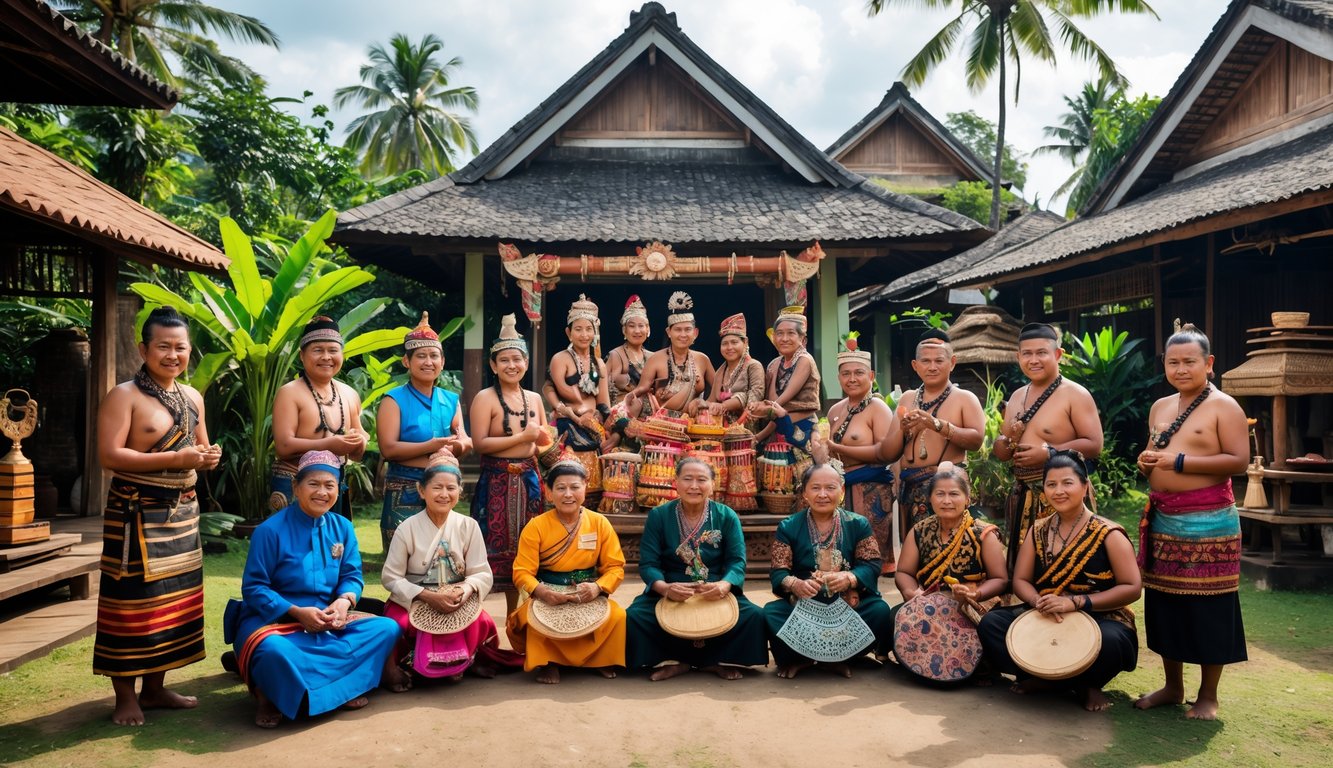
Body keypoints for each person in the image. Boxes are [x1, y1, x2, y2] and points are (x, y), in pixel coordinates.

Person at [93, 306, 220, 726]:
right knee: (131, 604)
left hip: (182, 513)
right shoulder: (124, 395)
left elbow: (199, 450)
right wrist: (177, 456)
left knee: (175, 601)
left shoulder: (193, 397)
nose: (172, 355)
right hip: (134, 513)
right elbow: (109, 456)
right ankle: (125, 696)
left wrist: (206, 457)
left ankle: (155, 688)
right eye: (162, 346)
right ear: (143, 348)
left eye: (179, 347)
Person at [229, 451, 406, 728]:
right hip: (277, 622)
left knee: (387, 629)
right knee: (272, 651)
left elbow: (351, 575)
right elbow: (254, 588)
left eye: (329, 485)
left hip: (327, 621)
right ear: (296, 487)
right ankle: (267, 696)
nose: (322, 492)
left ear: (338, 490)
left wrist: (344, 603)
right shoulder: (269, 531)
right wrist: (297, 612)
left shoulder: (343, 527)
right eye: (313, 484)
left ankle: (335, 689)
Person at [1134, 324, 1248, 720]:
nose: (1181, 369)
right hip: (1165, 519)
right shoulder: (1160, 406)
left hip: (1210, 522)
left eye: (1189, 361)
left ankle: (1208, 695)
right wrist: (1148, 461)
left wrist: (1176, 462)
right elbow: (1155, 450)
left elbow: (1237, 461)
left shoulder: (1224, 406)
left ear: (1209, 363)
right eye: (1173, 362)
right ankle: (1172, 685)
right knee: (1166, 603)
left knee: (1208, 607)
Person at [977, 451, 1141, 712]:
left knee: (1112, 642)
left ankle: (1089, 684)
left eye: (1067, 483)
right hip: (1046, 609)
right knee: (992, 624)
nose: (1059, 491)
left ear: (1085, 487)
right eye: (1051, 485)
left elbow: (1132, 588)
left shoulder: (1109, 533)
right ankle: (1045, 679)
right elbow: (1020, 580)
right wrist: (1036, 601)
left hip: (1099, 614)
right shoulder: (1038, 529)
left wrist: (1077, 602)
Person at [382, 449, 521, 683]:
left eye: (451, 488)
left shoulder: (469, 525)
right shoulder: (407, 528)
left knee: (482, 621)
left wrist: (463, 591)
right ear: (421, 490)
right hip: (416, 598)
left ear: (460, 491)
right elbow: (391, 577)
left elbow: (480, 572)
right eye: (437, 488)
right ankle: (411, 666)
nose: (444, 494)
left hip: (456, 597)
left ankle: (468, 660)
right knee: (399, 625)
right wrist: (425, 595)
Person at [625, 457, 768, 680]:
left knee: (755, 617)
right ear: (676, 483)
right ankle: (677, 662)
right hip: (672, 588)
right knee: (634, 617)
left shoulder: (726, 516)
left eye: (702, 480)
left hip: (714, 589)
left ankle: (712, 662)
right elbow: (649, 564)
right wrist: (664, 589)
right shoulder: (659, 516)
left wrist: (724, 585)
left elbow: (737, 562)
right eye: (687, 479)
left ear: (713, 484)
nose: (694, 486)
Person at [989, 323, 1104, 571]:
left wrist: (1050, 453)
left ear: (1058, 354)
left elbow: (1094, 445)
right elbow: (1002, 451)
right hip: (1023, 495)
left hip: (1061, 491)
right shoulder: (1018, 396)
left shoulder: (1075, 394)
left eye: (1041, 352)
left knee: (1064, 562)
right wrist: (1007, 441)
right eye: (1027, 354)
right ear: (1018, 357)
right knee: (1025, 568)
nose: (1034, 360)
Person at [505, 459, 628, 684]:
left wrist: (597, 587)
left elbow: (615, 567)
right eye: (560, 488)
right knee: (534, 619)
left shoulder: (600, 522)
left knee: (618, 616)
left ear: (585, 488)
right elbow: (521, 572)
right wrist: (541, 592)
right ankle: (549, 663)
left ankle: (598, 660)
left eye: (575, 487)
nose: (568, 494)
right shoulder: (536, 526)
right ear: (549, 493)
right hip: (548, 592)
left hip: (586, 592)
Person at [766, 463, 893, 679]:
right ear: (804, 493)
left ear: (842, 491)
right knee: (770, 613)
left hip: (845, 603)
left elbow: (871, 565)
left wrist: (850, 577)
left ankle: (841, 659)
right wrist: (795, 584)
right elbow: (779, 572)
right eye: (815, 488)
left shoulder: (857, 524)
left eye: (830, 488)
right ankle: (802, 659)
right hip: (804, 605)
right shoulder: (789, 526)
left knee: (879, 611)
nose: (823, 494)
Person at [469, 314, 547, 613]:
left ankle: (526, 611)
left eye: (517, 359)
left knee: (530, 544)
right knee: (494, 545)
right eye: (504, 360)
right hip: (497, 481)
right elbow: (480, 444)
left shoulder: (535, 399)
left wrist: (543, 442)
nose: (511, 365)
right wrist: (524, 437)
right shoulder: (484, 398)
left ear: (526, 363)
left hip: (530, 480)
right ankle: (493, 614)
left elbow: (541, 442)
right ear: (493, 365)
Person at [376, 312, 472, 551]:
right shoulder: (393, 399)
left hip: (441, 488)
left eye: (433, 356)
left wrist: (457, 446)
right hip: (405, 488)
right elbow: (388, 449)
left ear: (442, 361)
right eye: (420, 356)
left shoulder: (450, 399)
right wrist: (431, 447)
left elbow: (464, 440)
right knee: (404, 559)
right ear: (406, 361)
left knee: (442, 560)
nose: (428, 362)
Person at [895, 330, 985, 541]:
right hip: (910, 486)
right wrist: (901, 428)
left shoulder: (965, 398)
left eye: (939, 360)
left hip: (945, 485)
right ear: (915, 366)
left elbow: (976, 441)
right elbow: (892, 449)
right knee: (915, 549)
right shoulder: (908, 398)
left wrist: (936, 424)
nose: (932, 367)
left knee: (948, 545)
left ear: (952, 363)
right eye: (925, 361)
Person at [271, 316, 366, 516]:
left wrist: (358, 442)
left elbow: (357, 453)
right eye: (317, 350)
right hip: (295, 480)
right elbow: (284, 446)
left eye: (333, 350)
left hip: (333, 484)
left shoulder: (349, 394)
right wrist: (330, 445)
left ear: (342, 354)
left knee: (333, 545)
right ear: (302, 356)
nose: (326, 357)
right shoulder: (289, 392)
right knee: (294, 545)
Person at [821, 334, 900, 570]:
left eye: (859, 373)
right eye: (846, 374)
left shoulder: (878, 408)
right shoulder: (836, 409)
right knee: (842, 555)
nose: (852, 379)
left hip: (871, 490)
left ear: (871, 376)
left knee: (868, 555)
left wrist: (838, 448)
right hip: (841, 489)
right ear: (838, 378)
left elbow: (885, 452)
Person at [894, 463, 1008, 621]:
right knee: (895, 615)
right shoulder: (919, 531)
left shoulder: (983, 534)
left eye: (954, 494)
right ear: (930, 499)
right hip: (928, 604)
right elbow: (904, 572)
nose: (946, 501)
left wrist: (976, 594)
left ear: (967, 499)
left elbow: (1000, 579)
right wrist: (913, 593)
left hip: (971, 605)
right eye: (940, 494)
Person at [545, 294, 612, 501]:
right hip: (568, 423)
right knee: (570, 477)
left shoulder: (599, 363)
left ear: (596, 332)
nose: (584, 334)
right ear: (569, 332)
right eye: (578, 329)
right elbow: (561, 389)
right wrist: (574, 410)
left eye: (589, 329)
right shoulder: (561, 359)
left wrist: (605, 419)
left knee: (596, 488)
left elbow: (603, 400)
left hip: (592, 426)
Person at [626, 291, 714, 414]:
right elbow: (642, 391)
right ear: (669, 332)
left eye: (687, 329)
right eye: (678, 329)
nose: (683, 334)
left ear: (695, 333)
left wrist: (705, 404)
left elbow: (718, 393)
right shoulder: (655, 359)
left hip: (696, 424)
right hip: (663, 426)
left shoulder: (703, 359)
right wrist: (631, 397)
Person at [752, 305, 821, 452]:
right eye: (779, 334)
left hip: (802, 428)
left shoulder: (805, 360)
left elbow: (780, 402)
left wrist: (765, 408)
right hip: (778, 428)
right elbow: (774, 403)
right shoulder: (774, 364)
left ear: (802, 339)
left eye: (791, 333)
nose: (784, 339)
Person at [688, 312, 765, 421]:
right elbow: (712, 401)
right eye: (724, 344)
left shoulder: (753, 366)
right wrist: (700, 403)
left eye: (734, 342)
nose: (729, 347)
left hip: (746, 428)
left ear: (745, 342)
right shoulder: (721, 371)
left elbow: (753, 403)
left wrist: (724, 406)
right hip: (721, 428)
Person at [606, 294, 652, 405]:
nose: (637, 331)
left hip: (652, 417)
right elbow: (602, 389)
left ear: (648, 329)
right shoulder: (615, 355)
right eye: (632, 326)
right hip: (622, 414)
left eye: (641, 326)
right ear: (624, 330)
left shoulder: (653, 357)